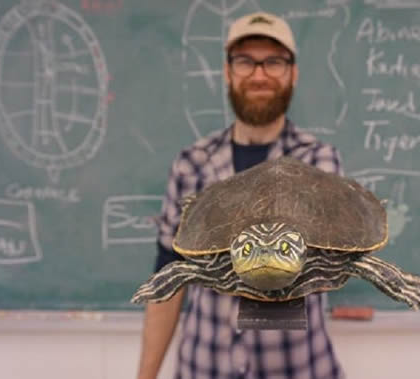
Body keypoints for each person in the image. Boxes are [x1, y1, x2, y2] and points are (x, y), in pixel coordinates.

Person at [137, 11, 345, 379]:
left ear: (293, 73)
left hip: (298, 368)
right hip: (205, 366)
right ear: (228, 72)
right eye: (246, 61)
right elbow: (167, 282)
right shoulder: (192, 165)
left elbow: (314, 267)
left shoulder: (319, 163)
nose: (260, 74)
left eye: (274, 62)